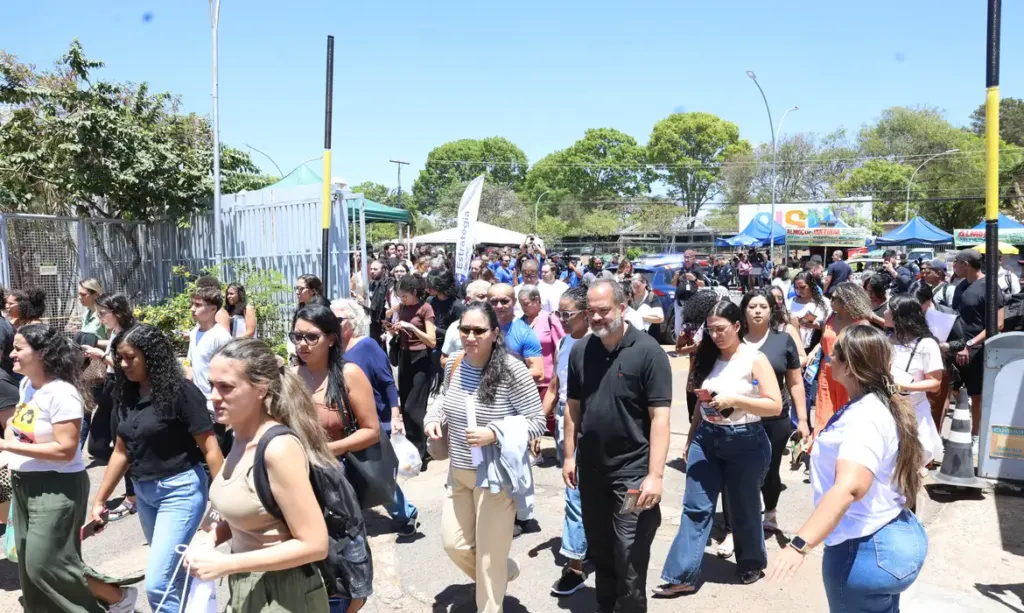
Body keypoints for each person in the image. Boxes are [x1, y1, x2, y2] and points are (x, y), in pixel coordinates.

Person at [768, 325, 927, 612]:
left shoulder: (864, 417)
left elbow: (850, 487)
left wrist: (799, 545)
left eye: (834, 354)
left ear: (849, 366)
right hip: (893, 537)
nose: (828, 358)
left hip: (865, 548)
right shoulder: (876, 403)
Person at [186, 339, 334, 612]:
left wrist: (226, 564)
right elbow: (252, 511)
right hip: (247, 582)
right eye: (212, 385)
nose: (214, 396)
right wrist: (211, 538)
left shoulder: (278, 449)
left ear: (261, 389)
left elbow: (315, 544)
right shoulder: (238, 437)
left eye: (226, 387)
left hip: (283, 592)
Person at [89, 324, 224, 611]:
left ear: (151, 356)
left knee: (158, 584)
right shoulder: (126, 393)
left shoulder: (181, 392)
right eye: (120, 358)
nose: (123, 364)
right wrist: (100, 500)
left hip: (180, 491)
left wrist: (222, 502)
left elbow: (210, 449)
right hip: (144, 494)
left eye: (130, 357)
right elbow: (121, 450)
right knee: (174, 575)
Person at [424, 302, 546, 613]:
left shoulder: (512, 370)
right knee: (454, 544)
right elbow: (443, 398)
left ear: (494, 333)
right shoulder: (454, 363)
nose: (470, 336)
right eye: (464, 329)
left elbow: (537, 421)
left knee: (489, 560)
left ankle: (493, 592)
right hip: (459, 471)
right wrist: (433, 419)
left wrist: (494, 432)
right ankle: (503, 571)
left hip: (496, 476)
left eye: (478, 331)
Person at [6, 324, 137, 612]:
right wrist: (9, 443)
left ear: (41, 354)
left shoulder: (62, 393)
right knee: (30, 566)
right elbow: (13, 426)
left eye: (18, 348)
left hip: (56, 487)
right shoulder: (27, 385)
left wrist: (8, 447)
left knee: (48, 564)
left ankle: (116, 597)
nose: (12, 354)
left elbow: (65, 450)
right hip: (24, 483)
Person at [656, 301, 783, 595]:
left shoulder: (755, 359)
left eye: (721, 329)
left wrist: (735, 400)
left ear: (737, 326)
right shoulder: (708, 355)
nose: (715, 335)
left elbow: (775, 405)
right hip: (707, 439)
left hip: (746, 440)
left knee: (743, 507)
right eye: (711, 330)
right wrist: (691, 436)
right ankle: (681, 575)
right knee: (695, 507)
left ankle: (751, 562)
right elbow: (700, 402)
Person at [564, 280, 672, 611]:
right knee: (601, 549)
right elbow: (573, 407)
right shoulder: (581, 350)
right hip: (593, 473)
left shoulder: (648, 352)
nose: (596, 317)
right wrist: (568, 456)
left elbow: (660, 418)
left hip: (633, 476)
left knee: (629, 552)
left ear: (622, 308)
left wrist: (655, 475)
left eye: (604, 310)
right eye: (591, 311)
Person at [331, 299, 420, 536]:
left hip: (375, 419)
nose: (331, 323)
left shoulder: (367, 345)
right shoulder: (333, 351)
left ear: (352, 322)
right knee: (357, 473)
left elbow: (387, 382)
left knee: (376, 473)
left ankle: (406, 513)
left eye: (337, 319)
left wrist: (395, 415)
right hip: (347, 422)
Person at [741, 289, 807, 533]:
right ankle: (739, 520)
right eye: (752, 307)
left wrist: (802, 420)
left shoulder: (783, 340)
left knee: (770, 470)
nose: (757, 311)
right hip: (739, 418)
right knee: (741, 471)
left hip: (774, 418)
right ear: (744, 311)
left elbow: (795, 383)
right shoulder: (734, 340)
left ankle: (770, 512)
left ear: (771, 310)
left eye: (763, 307)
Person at [544, 287, 591, 596]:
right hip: (564, 420)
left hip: (587, 422)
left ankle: (575, 566)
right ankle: (586, 547)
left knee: (576, 495)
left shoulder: (596, 345)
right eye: (558, 313)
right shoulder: (564, 342)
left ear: (585, 314)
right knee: (575, 489)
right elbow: (554, 386)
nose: (561, 319)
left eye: (567, 314)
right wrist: (537, 424)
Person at [81, 293, 138, 519]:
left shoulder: (129, 334)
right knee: (104, 443)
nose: (100, 318)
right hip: (112, 386)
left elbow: (128, 366)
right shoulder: (115, 332)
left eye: (103, 313)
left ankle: (133, 497)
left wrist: (102, 356)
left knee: (123, 444)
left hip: (124, 388)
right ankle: (134, 489)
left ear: (117, 312)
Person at [952, 248, 1005, 454]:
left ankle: (976, 435)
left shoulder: (989, 287)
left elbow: (998, 324)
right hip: (955, 348)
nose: (953, 266)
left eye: (956, 262)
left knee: (977, 395)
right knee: (950, 389)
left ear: (965, 264)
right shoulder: (960, 286)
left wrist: (970, 343)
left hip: (977, 351)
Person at [884, 294, 945, 467]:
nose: (885, 312)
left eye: (889, 309)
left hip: (914, 411)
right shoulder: (885, 340)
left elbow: (935, 383)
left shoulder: (926, 344)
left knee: (911, 463)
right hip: (887, 408)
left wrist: (902, 386)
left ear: (900, 315)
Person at [811, 282, 876, 434]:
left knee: (847, 412)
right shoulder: (830, 318)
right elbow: (824, 340)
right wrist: (814, 350)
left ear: (846, 300)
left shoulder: (861, 324)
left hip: (850, 374)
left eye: (834, 298)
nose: (830, 300)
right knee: (824, 413)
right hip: (827, 372)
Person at [389, 274, 436, 461]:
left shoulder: (425, 309)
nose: (403, 300)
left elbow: (431, 341)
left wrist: (412, 328)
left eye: (405, 296)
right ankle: (410, 448)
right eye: (400, 297)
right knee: (405, 405)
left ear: (415, 292)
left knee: (413, 408)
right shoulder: (402, 308)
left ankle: (421, 451)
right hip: (404, 357)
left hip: (421, 358)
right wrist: (394, 329)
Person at [185, 287, 235, 452]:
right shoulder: (194, 332)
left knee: (214, 450)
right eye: (193, 304)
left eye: (198, 305)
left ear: (213, 309)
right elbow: (191, 364)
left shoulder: (221, 336)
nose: (192, 309)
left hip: (212, 405)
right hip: (196, 402)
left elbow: (230, 370)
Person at [487, 284, 544, 381]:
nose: (499, 306)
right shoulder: (481, 327)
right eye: (494, 302)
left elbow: (538, 372)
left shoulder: (525, 333)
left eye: (505, 301)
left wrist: (502, 377)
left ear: (514, 301)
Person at [441, 280, 493, 368]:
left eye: (490, 297)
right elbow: (443, 361)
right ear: (468, 299)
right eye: (482, 296)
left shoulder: (500, 325)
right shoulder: (454, 328)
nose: (487, 300)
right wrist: (467, 360)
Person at [787, 271, 829, 353]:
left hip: (817, 346)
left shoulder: (824, 303)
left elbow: (831, 324)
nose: (799, 290)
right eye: (796, 288)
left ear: (811, 285)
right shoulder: (790, 302)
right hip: (794, 347)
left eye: (803, 287)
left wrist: (818, 326)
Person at [670, 250, 709, 339]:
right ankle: (679, 343)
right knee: (678, 324)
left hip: (692, 301)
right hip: (679, 301)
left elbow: (702, 284)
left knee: (691, 324)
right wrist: (675, 277)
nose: (686, 260)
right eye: (685, 257)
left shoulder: (697, 270)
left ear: (693, 258)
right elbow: (673, 284)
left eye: (688, 257)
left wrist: (694, 279)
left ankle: (691, 344)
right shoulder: (680, 269)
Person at [366, 260, 392, 346]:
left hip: (384, 322)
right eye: (371, 269)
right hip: (373, 322)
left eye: (375, 269)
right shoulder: (371, 284)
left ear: (383, 270)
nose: (372, 271)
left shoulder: (388, 284)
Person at [631, 274, 665, 340]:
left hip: (650, 337)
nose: (635, 288)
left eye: (638, 286)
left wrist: (640, 317)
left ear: (645, 284)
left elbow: (660, 319)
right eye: (633, 286)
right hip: (633, 337)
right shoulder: (629, 298)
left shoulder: (652, 298)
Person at [77, 278, 108, 344]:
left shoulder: (105, 315)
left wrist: (94, 342)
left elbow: (114, 343)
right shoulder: (85, 316)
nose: (79, 297)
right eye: (79, 294)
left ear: (96, 295)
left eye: (83, 294)